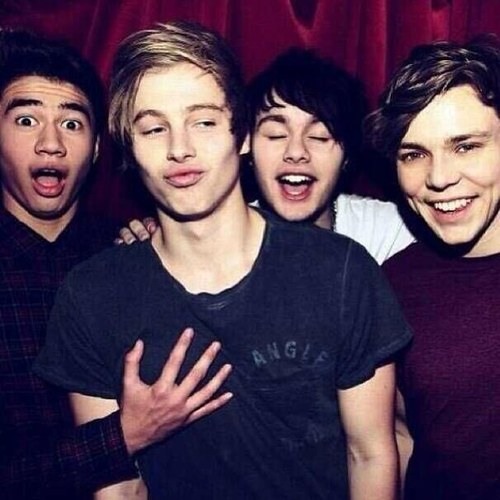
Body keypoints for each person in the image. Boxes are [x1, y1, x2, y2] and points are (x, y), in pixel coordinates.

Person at [35, 20, 412, 499]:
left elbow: (370, 454)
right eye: (154, 128)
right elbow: (120, 489)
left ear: (243, 134)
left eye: (204, 121)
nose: (180, 149)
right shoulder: (92, 295)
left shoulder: (342, 271)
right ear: (128, 147)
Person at [0, 28, 231, 500]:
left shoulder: (129, 251)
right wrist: (123, 435)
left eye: (72, 123)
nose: (51, 144)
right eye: (26, 120)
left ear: (98, 148)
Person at [118, 48, 414, 264]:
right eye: (275, 134)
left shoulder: (390, 231)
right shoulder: (216, 238)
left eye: (319, 136)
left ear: (347, 155)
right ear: (245, 143)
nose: (296, 152)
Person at [366, 36, 500, 500]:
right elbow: (399, 438)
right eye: (414, 154)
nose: (439, 178)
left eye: (466, 146)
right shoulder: (392, 284)